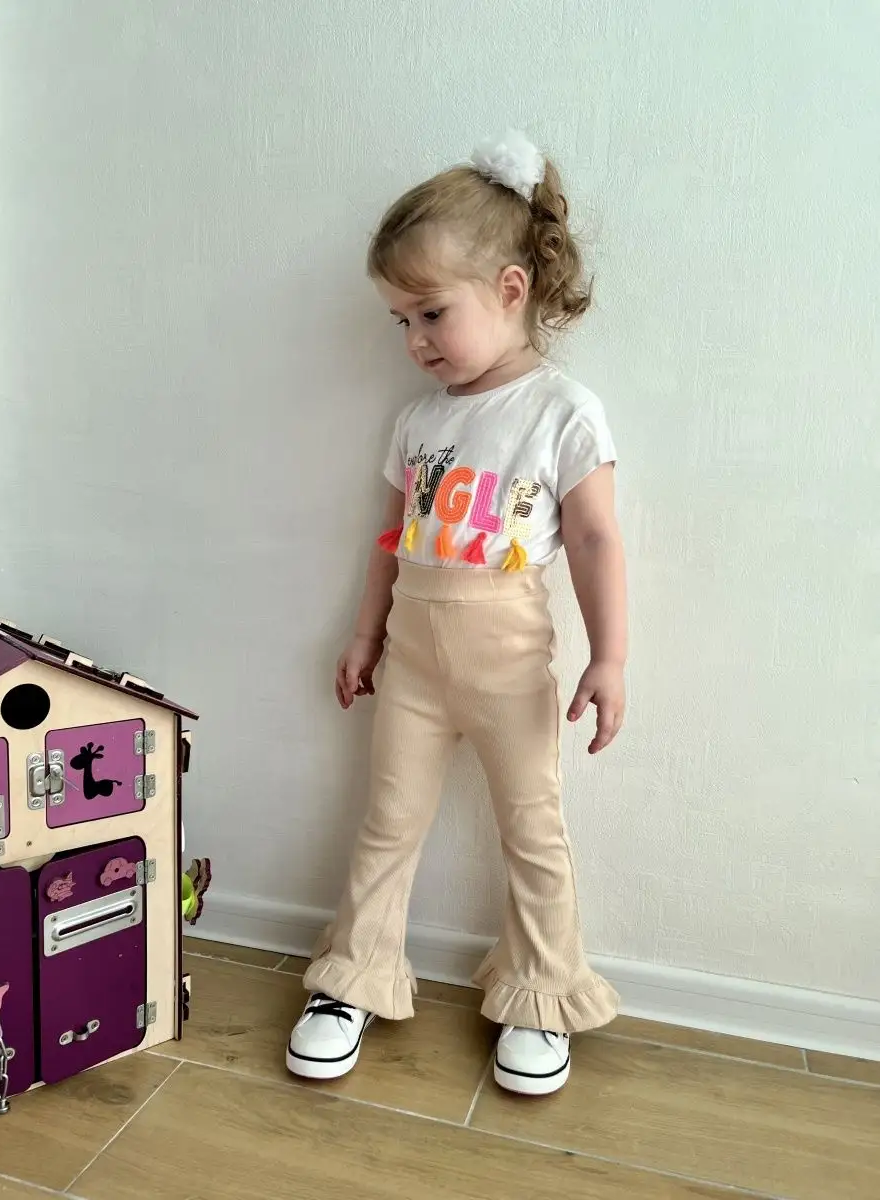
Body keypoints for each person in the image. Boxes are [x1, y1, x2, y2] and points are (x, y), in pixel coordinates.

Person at [287, 131, 627, 1096]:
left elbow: (596, 539)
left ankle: (541, 990)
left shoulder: (562, 412)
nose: (414, 341)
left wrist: (611, 657)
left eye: (432, 313)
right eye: (401, 319)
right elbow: (389, 540)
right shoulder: (419, 421)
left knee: (533, 830)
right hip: (412, 665)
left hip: (510, 666)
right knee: (386, 823)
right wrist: (364, 636)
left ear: (511, 289)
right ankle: (352, 976)